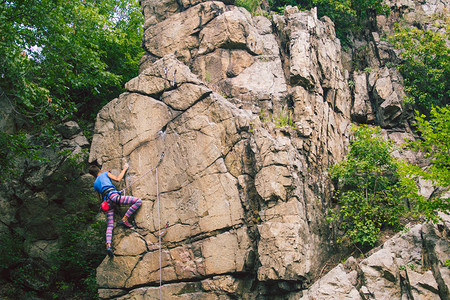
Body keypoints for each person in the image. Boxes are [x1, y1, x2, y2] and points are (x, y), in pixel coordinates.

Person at [88, 163, 142, 257]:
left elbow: (99, 199)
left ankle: (108, 245)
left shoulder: (95, 184)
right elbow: (117, 179)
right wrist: (124, 169)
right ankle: (125, 219)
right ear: (99, 170)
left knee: (110, 225)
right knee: (138, 201)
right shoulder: (105, 174)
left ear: (92, 175)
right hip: (114, 196)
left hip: (107, 203)